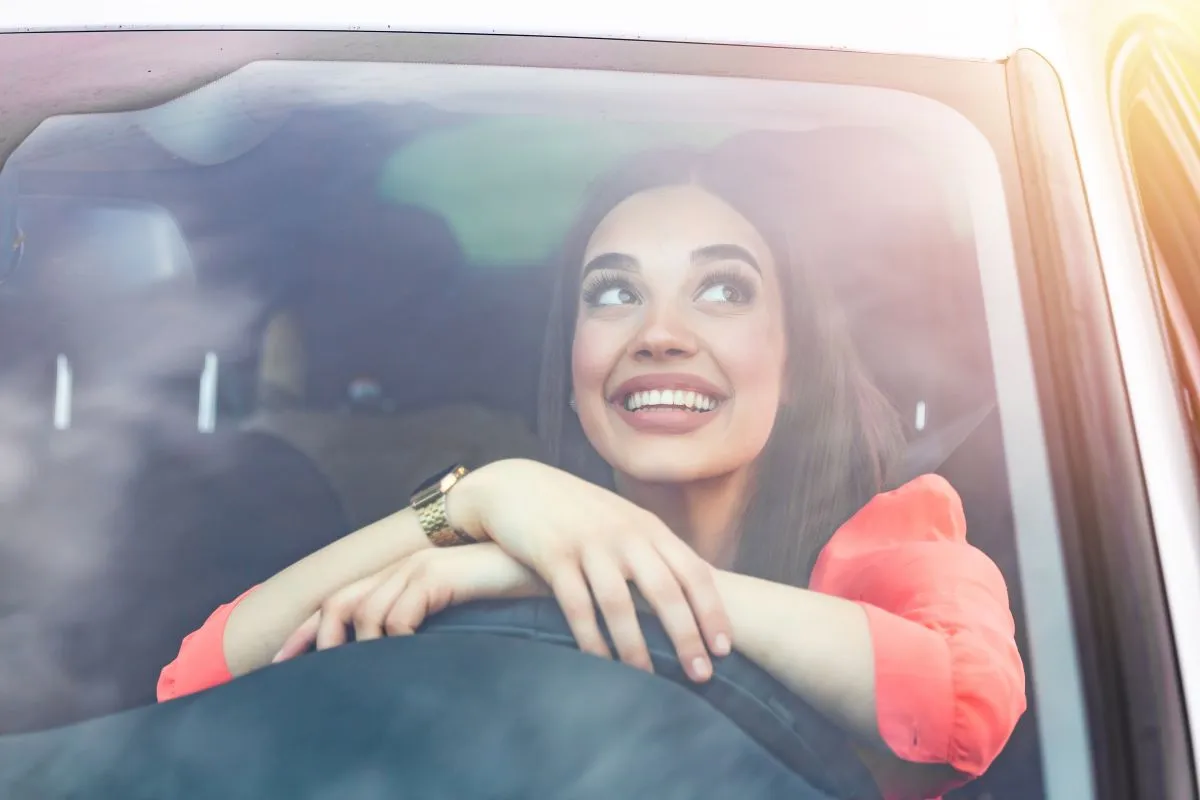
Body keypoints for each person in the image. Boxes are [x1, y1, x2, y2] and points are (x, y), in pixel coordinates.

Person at [157, 146, 1026, 800]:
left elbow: (965, 705)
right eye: (613, 294)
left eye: (723, 290)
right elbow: (195, 686)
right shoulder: (482, 533)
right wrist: (478, 498)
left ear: (794, 364)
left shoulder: (891, 546)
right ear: (574, 373)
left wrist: (523, 574)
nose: (659, 332)